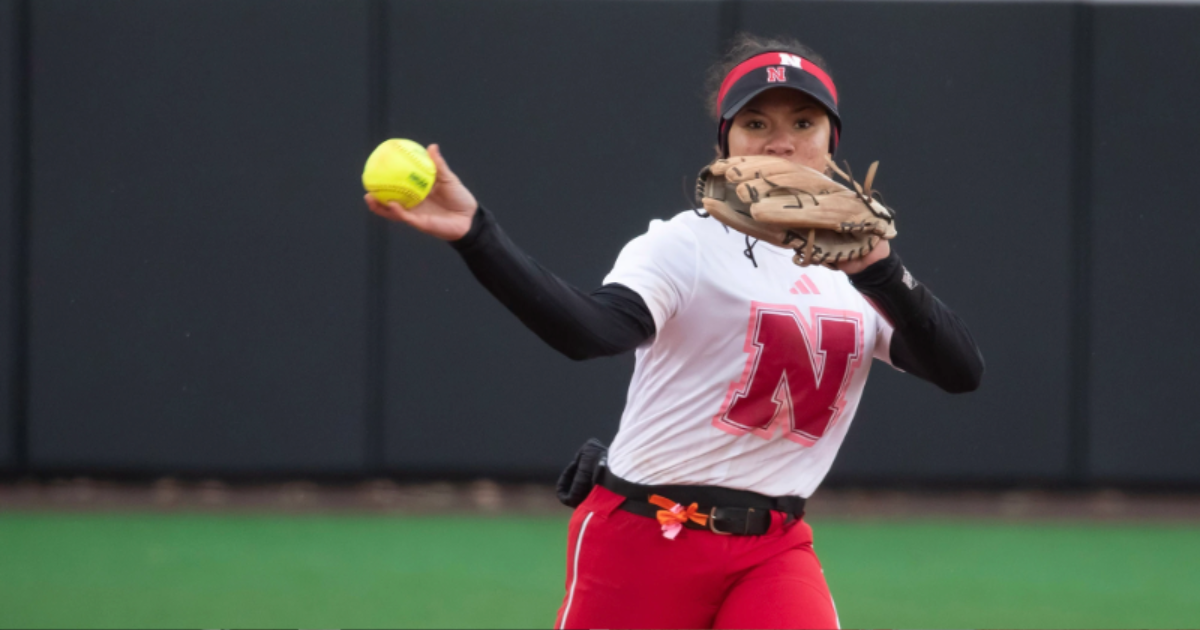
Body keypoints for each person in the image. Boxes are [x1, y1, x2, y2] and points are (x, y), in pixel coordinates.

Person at [365, 33, 983, 630]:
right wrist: (479, 236)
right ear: (726, 142)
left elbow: (960, 371)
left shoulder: (857, 267)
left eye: (803, 123)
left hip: (773, 549)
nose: (781, 143)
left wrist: (883, 272)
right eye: (756, 123)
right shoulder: (683, 244)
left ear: (832, 139)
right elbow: (591, 332)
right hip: (644, 537)